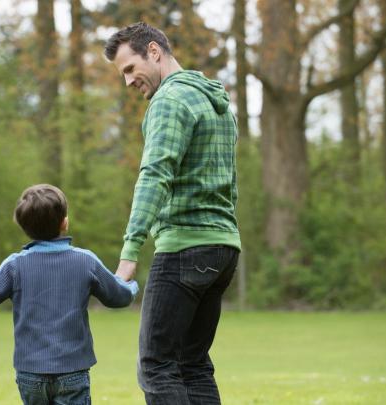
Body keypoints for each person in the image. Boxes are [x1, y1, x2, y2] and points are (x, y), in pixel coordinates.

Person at [104, 22, 241, 405]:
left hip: (184, 249)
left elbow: (154, 175)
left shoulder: (170, 100)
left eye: (130, 69)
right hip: (223, 248)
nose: (128, 82)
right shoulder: (218, 103)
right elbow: (230, 180)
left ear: (153, 51)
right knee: (193, 364)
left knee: (156, 366)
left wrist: (129, 252)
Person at [0, 184, 139, 405]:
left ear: (24, 228)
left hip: (31, 374)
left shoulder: (15, 266)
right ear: (64, 223)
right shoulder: (85, 261)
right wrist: (130, 285)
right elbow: (118, 297)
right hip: (72, 371)